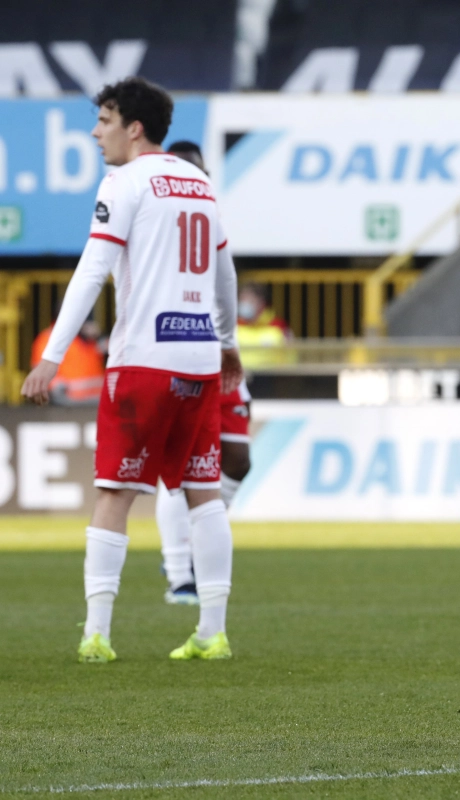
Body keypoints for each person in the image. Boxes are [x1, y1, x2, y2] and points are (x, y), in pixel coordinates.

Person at [21, 77, 242, 662]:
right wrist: (229, 343)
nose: (96, 133)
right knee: (204, 493)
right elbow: (225, 275)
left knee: (115, 492)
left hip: (143, 359)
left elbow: (92, 271)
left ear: (133, 127)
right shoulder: (199, 181)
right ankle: (212, 633)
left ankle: (97, 634)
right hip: (198, 358)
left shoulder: (124, 181)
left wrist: (50, 357)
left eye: (104, 120)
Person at [152, 140, 253, 606]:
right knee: (181, 466)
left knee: (237, 458)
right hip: (174, 350)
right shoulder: (152, 220)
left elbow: (224, 280)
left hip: (218, 350)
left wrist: (229, 343)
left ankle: (198, 537)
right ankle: (180, 576)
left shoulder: (209, 215)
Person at [30, 313, 106, 405]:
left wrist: (99, 337)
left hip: (95, 399)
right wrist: (58, 390)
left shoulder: (87, 337)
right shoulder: (49, 338)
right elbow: (41, 369)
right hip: (65, 401)